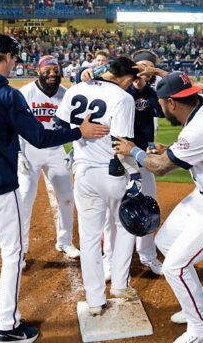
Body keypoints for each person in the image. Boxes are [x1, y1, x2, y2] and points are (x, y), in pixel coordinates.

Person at [0, 35, 109, 343]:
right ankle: (8, 326)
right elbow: (40, 138)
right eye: (15, 59)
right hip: (0, 188)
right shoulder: (8, 95)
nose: (16, 64)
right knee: (12, 254)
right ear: (9, 58)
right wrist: (77, 131)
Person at [113, 71, 203, 343]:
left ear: (171, 103)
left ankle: (200, 329)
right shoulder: (201, 111)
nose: (160, 107)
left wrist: (134, 151)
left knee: (175, 266)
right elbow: (189, 151)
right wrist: (169, 148)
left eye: (161, 102)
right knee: (165, 241)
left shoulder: (200, 127)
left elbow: (162, 168)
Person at [55, 56, 142, 316]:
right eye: (131, 80)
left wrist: (79, 137)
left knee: (90, 237)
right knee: (125, 226)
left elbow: (60, 125)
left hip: (82, 172)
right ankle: (119, 285)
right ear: (125, 78)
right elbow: (121, 142)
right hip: (111, 172)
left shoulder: (76, 89)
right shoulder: (123, 98)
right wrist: (133, 174)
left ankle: (94, 301)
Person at [102, 49, 166, 281]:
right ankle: (110, 258)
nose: (143, 70)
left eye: (148, 67)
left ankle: (147, 254)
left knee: (148, 205)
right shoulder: (118, 89)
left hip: (142, 156)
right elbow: (92, 80)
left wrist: (153, 82)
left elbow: (167, 108)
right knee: (111, 212)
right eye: (140, 66)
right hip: (115, 156)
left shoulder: (152, 93)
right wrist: (85, 72)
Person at [17, 55, 80, 262]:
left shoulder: (68, 95)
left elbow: (75, 125)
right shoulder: (25, 93)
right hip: (30, 150)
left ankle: (65, 241)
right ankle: (21, 249)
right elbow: (12, 125)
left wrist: (74, 151)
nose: (52, 74)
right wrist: (17, 152)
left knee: (67, 196)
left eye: (55, 70)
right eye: (48, 70)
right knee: (25, 198)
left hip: (55, 149)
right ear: (38, 72)